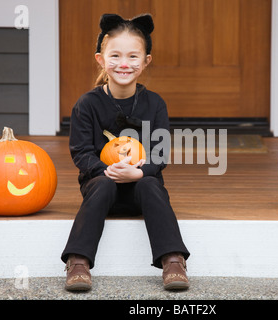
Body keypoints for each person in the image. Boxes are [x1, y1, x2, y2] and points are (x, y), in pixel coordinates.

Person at [61, 13, 190, 292]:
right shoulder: (87, 104)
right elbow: (81, 152)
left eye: (133, 57)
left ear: (146, 61)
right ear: (100, 59)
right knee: (103, 186)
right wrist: (105, 170)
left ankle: (173, 260)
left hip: (141, 189)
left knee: (151, 185)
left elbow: (160, 153)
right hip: (101, 185)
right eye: (115, 56)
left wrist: (140, 171)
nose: (124, 64)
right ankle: (78, 260)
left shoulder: (155, 104)